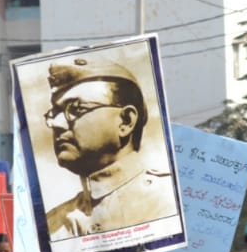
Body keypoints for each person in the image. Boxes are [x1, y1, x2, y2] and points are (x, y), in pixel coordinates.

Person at [43, 57, 178, 238]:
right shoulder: (52, 224)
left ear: (126, 121)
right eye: (55, 113)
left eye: (75, 109)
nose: (56, 124)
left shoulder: (169, 201)